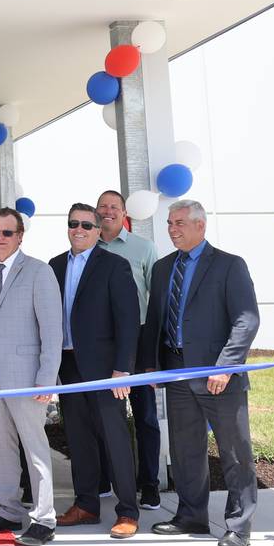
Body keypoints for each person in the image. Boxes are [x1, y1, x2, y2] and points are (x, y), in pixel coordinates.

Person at [140, 200, 260, 546]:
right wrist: (151, 364)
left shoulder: (228, 266)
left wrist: (226, 366)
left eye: (179, 223)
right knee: (185, 449)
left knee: (234, 453)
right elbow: (157, 319)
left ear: (200, 226)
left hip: (217, 376)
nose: (172, 229)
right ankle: (191, 515)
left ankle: (238, 527)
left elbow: (246, 319)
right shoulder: (163, 269)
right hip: (177, 373)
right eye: (169, 224)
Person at [0, 208, 62, 546]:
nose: (0, 238)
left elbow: (52, 330)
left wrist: (46, 378)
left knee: (35, 449)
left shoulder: (39, 271)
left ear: (20, 235)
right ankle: (8, 510)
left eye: (7, 233)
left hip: (27, 377)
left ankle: (44, 518)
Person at [48, 204, 141, 539]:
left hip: (104, 370)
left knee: (114, 438)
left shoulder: (115, 266)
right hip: (68, 364)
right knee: (79, 438)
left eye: (87, 224)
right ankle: (85, 504)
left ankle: (128, 510)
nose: (79, 229)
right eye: (73, 223)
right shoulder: (55, 266)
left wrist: (122, 370)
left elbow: (128, 321)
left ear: (99, 230)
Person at [96, 189, 162, 510]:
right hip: (103, 343)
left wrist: (152, 352)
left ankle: (149, 484)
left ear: (124, 213)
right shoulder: (88, 247)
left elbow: (157, 300)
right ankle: (111, 478)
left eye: (113, 207)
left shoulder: (143, 248)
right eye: (102, 207)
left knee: (146, 415)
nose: (107, 211)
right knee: (110, 418)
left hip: (138, 341)